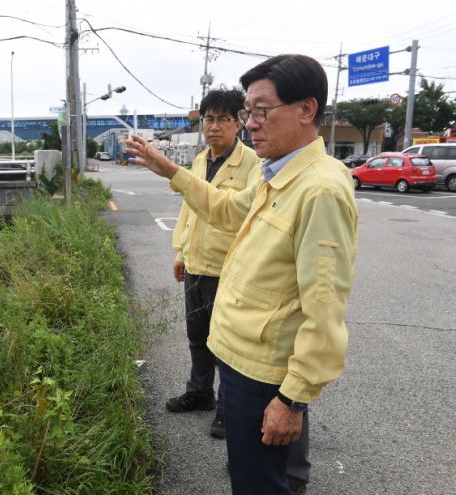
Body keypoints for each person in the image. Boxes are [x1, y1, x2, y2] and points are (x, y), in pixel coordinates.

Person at [126, 54, 358, 495]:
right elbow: (227, 210)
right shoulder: (277, 175)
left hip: (263, 370)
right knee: (266, 473)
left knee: (258, 482)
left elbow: (324, 310)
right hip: (238, 356)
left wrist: (293, 399)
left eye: (261, 111)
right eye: (248, 112)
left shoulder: (320, 190)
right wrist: (171, 171)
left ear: (306, 110)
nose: (250, 123)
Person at [166, 88, 259, 440]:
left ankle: (226, 408)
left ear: (240, 123)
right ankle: (200, 392)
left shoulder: (252, 163)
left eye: (223, 119)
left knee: (226, 343)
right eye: (209, 119)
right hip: (196, 263)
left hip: (229, 267)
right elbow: (190, 208)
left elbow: (244, 214)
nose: (214, 126)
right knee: (197, 336)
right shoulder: (201, 159)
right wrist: (181, 253)